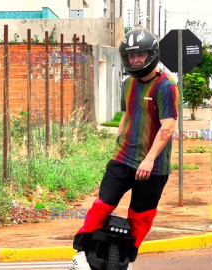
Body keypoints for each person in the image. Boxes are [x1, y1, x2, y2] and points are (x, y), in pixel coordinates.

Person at [70, 28, 179, 270]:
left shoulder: (166, 86)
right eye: (131, 56)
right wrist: (117, 143)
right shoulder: (128, 83)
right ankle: (79, 254)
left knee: (141, 216)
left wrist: (149, 160)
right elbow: (127, 115)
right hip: (123, 158)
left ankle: (126, 260)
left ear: (152, 54)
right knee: (103, 205)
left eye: (141, 54)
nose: (136, 60)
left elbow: (168, 126)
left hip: (154, 166)